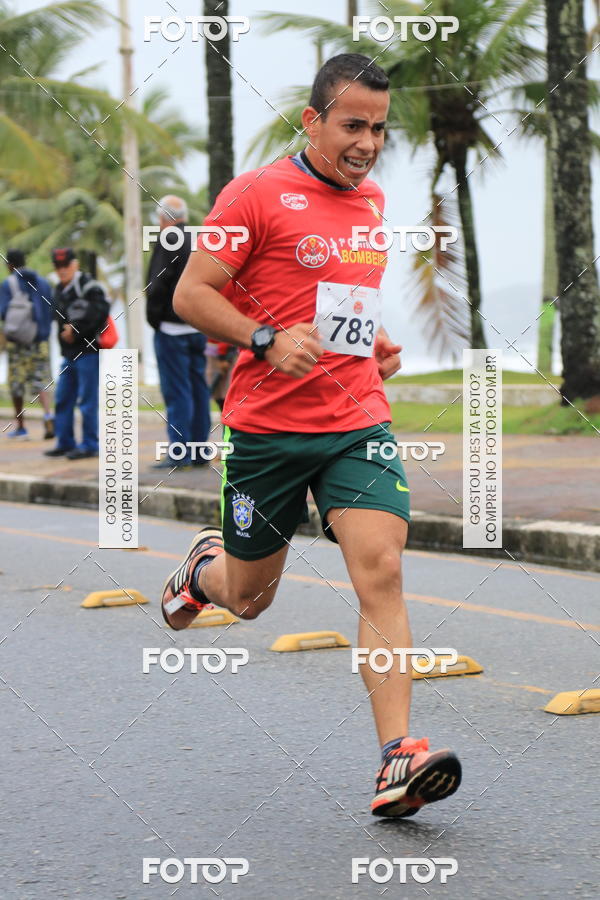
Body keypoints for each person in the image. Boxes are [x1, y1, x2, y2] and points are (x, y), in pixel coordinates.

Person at [160, 54, 461, 819]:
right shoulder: (254, 194)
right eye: (353, 125)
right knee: (250, 598)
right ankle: (204, 573)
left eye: (380, 128)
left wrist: (376, 344)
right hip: (267, 432)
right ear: (313, 119)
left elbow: (337, 308)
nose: (367, 142)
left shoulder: (371, 203)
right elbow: (189, 293)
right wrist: (261, 338)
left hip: (355, 421)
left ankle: (397, 758)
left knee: (381, 571)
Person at [146, 195, 210, 468]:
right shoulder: (197, 239)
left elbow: (158, 286)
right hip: (198, 327)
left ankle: (180, 451)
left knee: (178, 392)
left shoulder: (168, 239)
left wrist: (154, 319)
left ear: (163, 219)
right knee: (198, 390)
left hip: (172, 330)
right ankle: (198, 451)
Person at [44, 248, 109, 460]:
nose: (62, 270)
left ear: (75, 264)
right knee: (62, 398)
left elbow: (101, 312)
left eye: (66, 265)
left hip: (88, 352)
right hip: (68, 354)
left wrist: (76, 329)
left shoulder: (89, 286)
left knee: (87, 401)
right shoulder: (58, 290)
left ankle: (90, 444)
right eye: (58, 266)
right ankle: (65, 442)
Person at [0, 249, 54, 440]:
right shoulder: (44, 283)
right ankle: (48, 416)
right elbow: (52, 310)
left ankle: (21, 427)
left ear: (10, 265)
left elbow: (3, 311)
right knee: (41, 381)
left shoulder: (9, 284)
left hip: (17, 343)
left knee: (17, 384)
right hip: (40, 341)